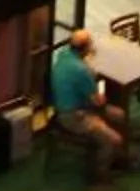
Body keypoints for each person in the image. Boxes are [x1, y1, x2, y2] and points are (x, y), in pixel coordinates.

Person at [49, 28, 128, 181]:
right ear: (85, 48)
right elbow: (98, 102)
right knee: (114, 139)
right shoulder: (82, 71)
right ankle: (99, 174)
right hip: (73, 117)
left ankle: (116, 156)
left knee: (119, 115)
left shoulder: (63, 55)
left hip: (69, 108)